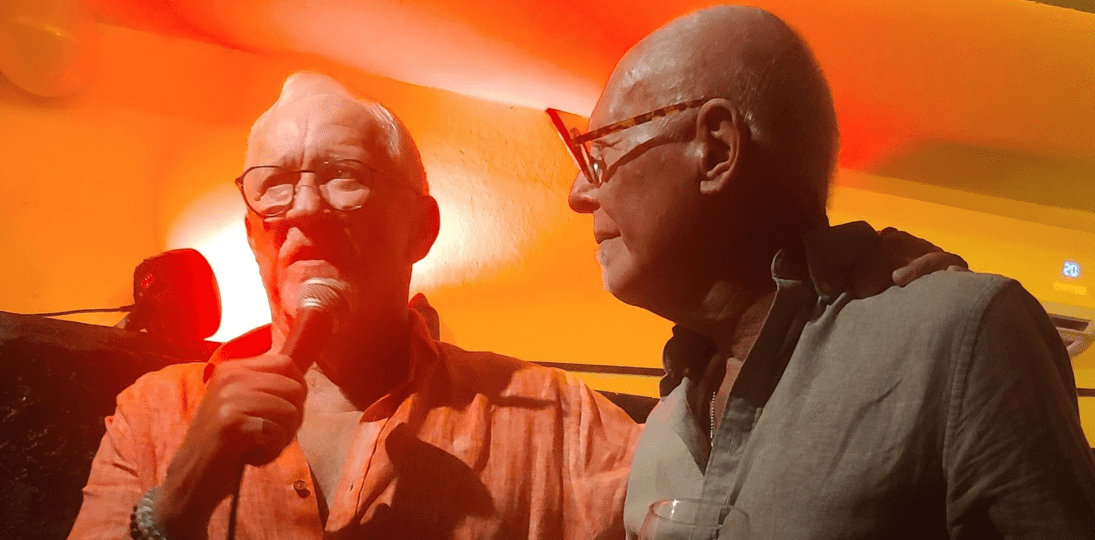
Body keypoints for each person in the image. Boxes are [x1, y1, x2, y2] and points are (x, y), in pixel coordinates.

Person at [555, 5, 1095, 539]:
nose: (579, 195)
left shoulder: (963, 339)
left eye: (598, 155)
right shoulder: (666, 420)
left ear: (716, 149)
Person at [68, 72, 642, 540]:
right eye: (273, 184)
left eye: (343, 176)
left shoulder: (557, 420)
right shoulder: (153, 413)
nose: (304, 208)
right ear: (251, 235)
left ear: (422, 228)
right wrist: (176, 505)